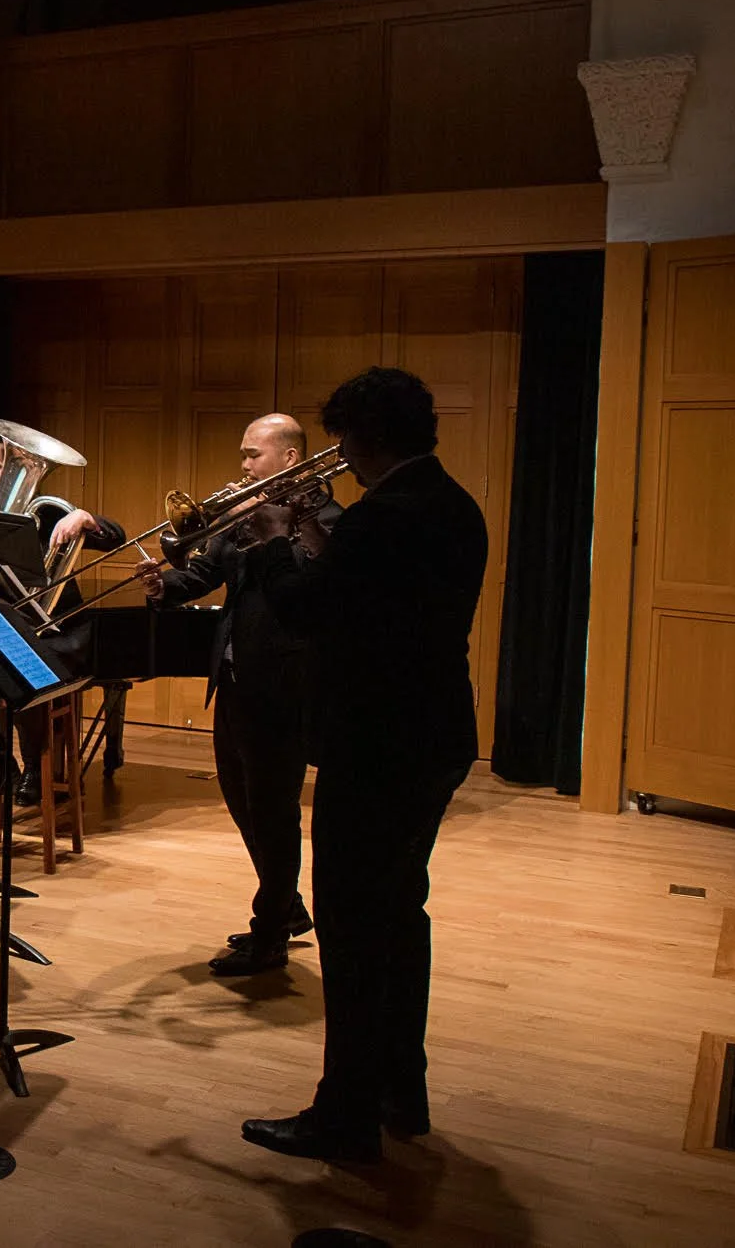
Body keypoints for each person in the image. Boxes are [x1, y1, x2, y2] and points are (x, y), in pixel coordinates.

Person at [236, 368, 487, 1163]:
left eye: (344, 438)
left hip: (376, 742)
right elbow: (368, 592)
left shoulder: (384, 515)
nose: (339, 453)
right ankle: (399, 1090)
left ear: (368, 436)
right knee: (400, 914)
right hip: (435, 735)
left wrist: (272, 540)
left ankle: (343, 1114)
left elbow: (308, 608)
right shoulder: (451, 503)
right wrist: (312, 532)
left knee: (348, 927)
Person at [136, 414, 338, 976]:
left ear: (290, 458)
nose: (243, 465)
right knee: (242, 801)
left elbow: (314, 597)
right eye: (244, 455)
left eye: (253, 454)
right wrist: (162, 586)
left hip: (284, 688)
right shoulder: (243, 515)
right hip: (232, 682)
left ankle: (269, 934)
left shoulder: (325, 521)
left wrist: (278, 534)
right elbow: (202, 574)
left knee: (273, 813)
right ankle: (285, 904)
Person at [0, 430, 124, 805]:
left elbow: (115, 537)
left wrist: (85, 518)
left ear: (10, 471)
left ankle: (37, 769)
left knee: (24, 676)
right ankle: (0, 763)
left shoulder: (49, 513)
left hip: (55, 635)